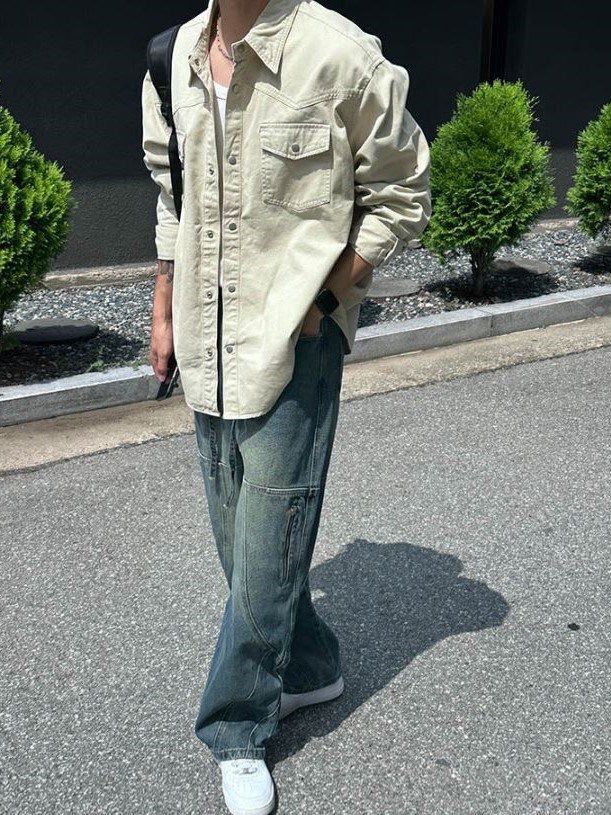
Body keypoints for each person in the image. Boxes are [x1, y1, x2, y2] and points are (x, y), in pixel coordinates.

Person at [142, 1, 430, 812]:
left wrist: (325, 300)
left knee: (267, 542)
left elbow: (402, 191)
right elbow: (171, 190)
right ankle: (309, 666)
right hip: (207, 334)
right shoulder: (172, 55)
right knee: (241, 539)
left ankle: (237, 725)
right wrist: (162, 307)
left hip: (294, 341)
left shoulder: (339, 55)